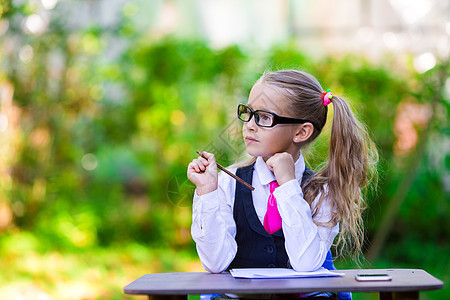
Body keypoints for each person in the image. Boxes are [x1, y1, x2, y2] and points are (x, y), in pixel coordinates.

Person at [187, 69, 378, 299]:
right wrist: (207, 192)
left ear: (301, 132)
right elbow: (215, 263)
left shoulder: (323, 191)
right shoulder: (228, 183)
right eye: (248, 113)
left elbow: (306, 263)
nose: (249, 125)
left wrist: (288, 185)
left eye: (264, 117)